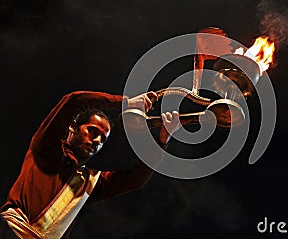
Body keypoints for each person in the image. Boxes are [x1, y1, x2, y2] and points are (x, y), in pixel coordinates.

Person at [0, 91, 180, 239]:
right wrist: (125, 102)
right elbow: (73, 101)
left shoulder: (90, 182)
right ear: (73, 127)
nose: (97, 141)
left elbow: (134, 180)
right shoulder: (47, 147)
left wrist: (163, 140)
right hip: (11, 231)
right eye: (92, 131)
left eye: (103, 139)